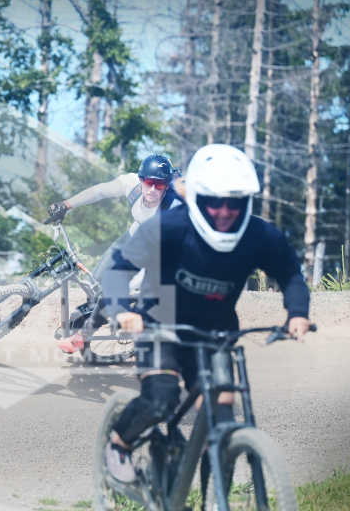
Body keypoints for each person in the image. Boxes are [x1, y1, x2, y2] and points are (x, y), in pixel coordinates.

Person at [98, 144, 311, 483]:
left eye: (234, 202)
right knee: (161, 400)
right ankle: (119, 444)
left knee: (222, 420)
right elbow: (118, 267)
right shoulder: (170, 226)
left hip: (216, 334)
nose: (225, 211)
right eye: (214, 201)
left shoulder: (259, 236)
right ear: (197, 197)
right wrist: (122, 311)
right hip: (159, 326)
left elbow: (290, 274)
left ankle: (215, 498)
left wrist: (297, 312)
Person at [45, 154, 184, 354]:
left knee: (120, 287)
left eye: (160, 185)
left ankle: (83, 335)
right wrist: (66, 205)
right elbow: (99, 191)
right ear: (140, 179)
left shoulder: (174, 208)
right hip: (135, 235)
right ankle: (92, 314)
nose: (153, 190)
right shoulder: (131, 184)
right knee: (96, 282)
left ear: (167, 185)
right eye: (148, 183)